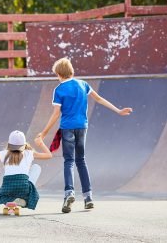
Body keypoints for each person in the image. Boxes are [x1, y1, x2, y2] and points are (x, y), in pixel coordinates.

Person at [37, 58, 133, 213]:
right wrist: (118, 110)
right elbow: (99, 99)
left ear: (59, 74)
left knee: (68, 161)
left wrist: (44, 132)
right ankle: (88, 198)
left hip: (67, 128)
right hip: (82, 127)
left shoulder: (59, 89)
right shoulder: (83, 84)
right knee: (81, 160)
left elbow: (56, 114)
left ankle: (69, 193)